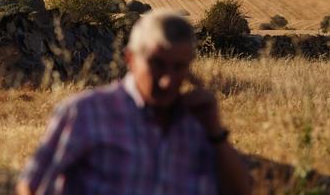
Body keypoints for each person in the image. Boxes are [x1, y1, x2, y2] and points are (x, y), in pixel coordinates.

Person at [16, 10, 251, 195]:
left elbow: (241, 191)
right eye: (157, 64)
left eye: (179, 67)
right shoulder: (87, 112)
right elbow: (32, 186)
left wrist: (215, 132)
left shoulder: (198, 122)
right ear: (130, 58)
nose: (168, 80)